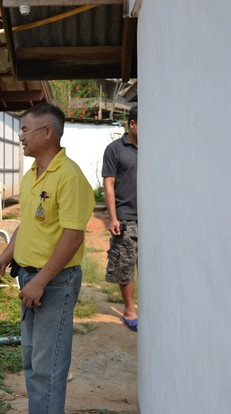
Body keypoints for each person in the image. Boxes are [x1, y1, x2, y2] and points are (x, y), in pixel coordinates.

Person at [0, 103, 94, 414]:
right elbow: (28, 225)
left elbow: (72, 237)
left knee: (47, 371)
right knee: (34, 367)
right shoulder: (32, 175)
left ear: (47, 132)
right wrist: (4, 258)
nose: (20, 136)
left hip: (54, 283)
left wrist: (41, 281)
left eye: (24, 130)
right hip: (31, 280)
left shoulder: (69, 176)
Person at [102, 106, 138, 332]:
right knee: (125, 265)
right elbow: (109, 184)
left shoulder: (153, 148)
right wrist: (113, 218)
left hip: (151, 218)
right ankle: (129, 310)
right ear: (132, 124)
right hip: (126, 217)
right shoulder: (115, 149)